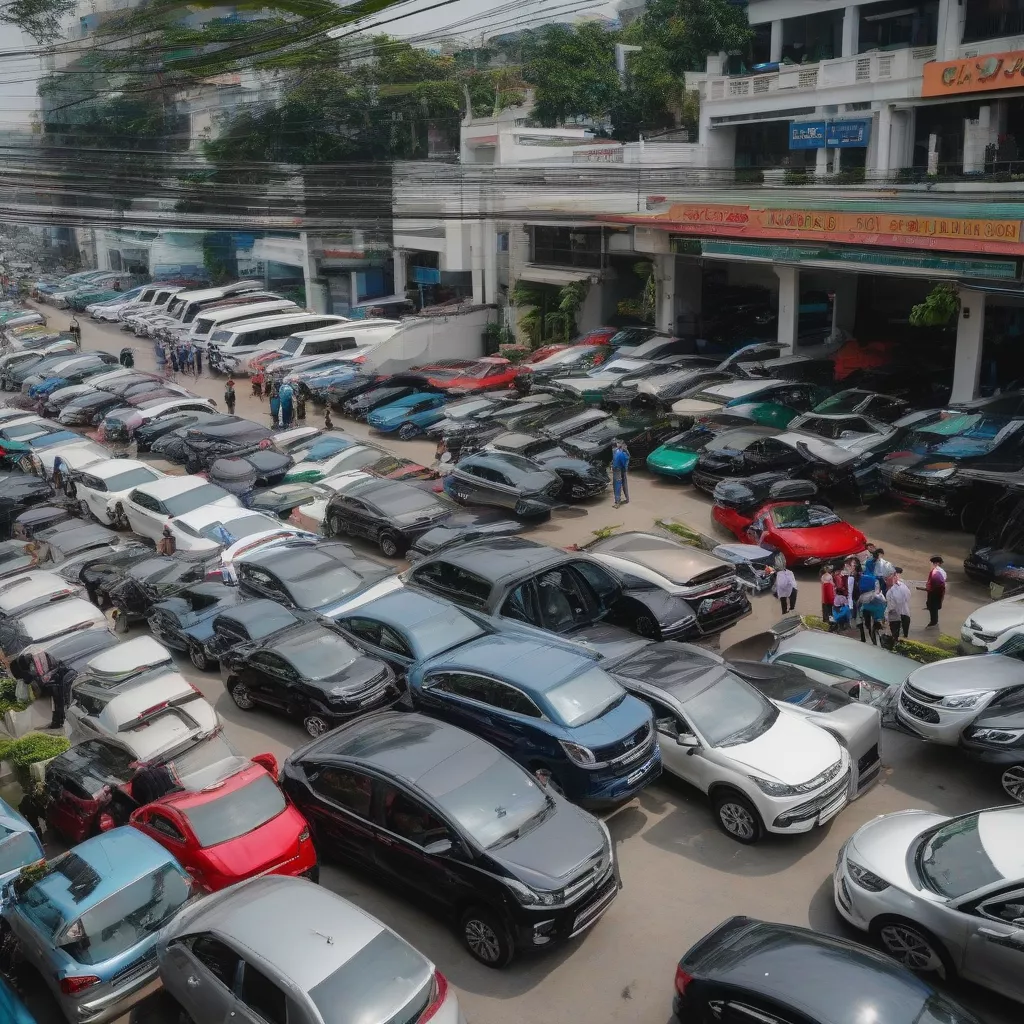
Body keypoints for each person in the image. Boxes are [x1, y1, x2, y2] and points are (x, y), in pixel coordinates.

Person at [857, 580, 886, 645]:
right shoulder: (878, 595)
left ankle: (873, 641)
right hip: (876, 613)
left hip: (866, 611)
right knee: (875, 627)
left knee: (868, 626)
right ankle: (877, 640)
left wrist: (859, 613)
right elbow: (884, 602)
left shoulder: (863, 595)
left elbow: (858, 604)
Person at [885, 568, 912, 639]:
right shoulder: (902, 585)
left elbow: (892, 605)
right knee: (899, 636)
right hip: (901, 615)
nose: (896, 577)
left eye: (897, 575)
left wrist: (886, 615)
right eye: (894, 575)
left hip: (900, 615)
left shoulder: (900, 586)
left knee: (899, 636)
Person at [923, 555, 947, 627]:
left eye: (932, 563)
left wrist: (930, 588)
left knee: (934, 606)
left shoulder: (937, 572)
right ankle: (931, 609)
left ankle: (934, 621)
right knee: (932, 604)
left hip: (935, 592)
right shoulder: (938, 571)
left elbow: (938, 583)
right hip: (935, 591)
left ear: (936, 563)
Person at [611, 439, 630, 508]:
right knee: (624, 484)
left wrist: (613, 467)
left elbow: (618, 461)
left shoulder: (618, 452)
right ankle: (627, 499)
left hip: (618, 470)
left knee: (617, 485)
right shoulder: (623, 452)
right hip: (621, 469)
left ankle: (617, 502)